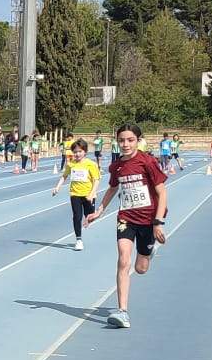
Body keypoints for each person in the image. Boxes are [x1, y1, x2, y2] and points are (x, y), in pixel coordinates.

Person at [87, 122, 167, 330]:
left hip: (149, 219)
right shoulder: (117, 166)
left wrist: (158, 222)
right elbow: (113, 189)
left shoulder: (147, 162)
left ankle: (149, 252)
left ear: (138, 141)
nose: (125, 144)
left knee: (140, 269)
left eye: (130, 140)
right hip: (126, 217)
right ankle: (122, 311)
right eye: (121, 140)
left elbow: (162, 193)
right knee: (123, 259)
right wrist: (99, 211)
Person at [52, 137, 100, 251]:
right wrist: (57, 187)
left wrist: (92, 193)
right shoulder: (71, 164)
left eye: (80, 151)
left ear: (85, 152)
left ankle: (88, 218)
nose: (77, 154)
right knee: (76, 217)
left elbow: (96, 179)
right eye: (75, 152)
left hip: (88, 194)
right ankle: (78, 240)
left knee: (90, 216)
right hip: (75, 194)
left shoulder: (91, 164)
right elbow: (64, 176)